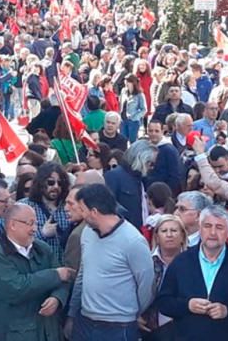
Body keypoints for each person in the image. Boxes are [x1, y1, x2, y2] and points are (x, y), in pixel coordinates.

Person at [68, 184, 154, 340]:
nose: (79, 214)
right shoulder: (87, 233)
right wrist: (72, 314)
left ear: (94, 212)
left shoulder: (133, 241)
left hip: (118, 327)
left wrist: (132, 313)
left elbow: (146, 284)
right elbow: (83, 274)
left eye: (82, 209)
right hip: (85, 321)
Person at [157, 205, 228, 341]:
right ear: (200, 229)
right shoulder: (181, 262)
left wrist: (227, 311)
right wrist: (188, 305)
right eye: (208, 226)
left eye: (219, 227)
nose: (213, 233)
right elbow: (163, 302)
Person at [0, 203, 73, 341]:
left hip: (49, 331)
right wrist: (55, 275)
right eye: (30, 223)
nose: (35, 229)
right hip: (16, 334)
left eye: (35, 223)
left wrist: (57, 298)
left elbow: (64, 280)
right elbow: (17, 289)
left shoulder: (42, 249)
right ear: (12, 225)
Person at [141, 213, 188, 339]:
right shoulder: (146, 262)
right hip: (151, 329)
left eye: (174, 230)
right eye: (164, 231)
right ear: (156, 236)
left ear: (183, 236)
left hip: (184, 329)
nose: (169, 235)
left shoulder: (193, 262)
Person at [20, 162, 71, 264]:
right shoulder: (24, 207)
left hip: (64, 267)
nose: (56, 186)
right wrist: (42, 234)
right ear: (41, 182)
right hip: (38, 269)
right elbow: (17, 241)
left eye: (60, 183)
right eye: (51, 182)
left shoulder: (69, 207)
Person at [106, 139, 156, 228]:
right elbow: (108, 209)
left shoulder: (142, 180)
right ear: (142, 160)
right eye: (150, 163)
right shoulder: (114, 176)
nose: (152, 168)